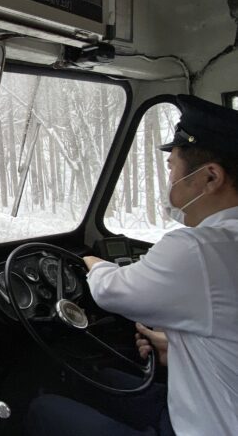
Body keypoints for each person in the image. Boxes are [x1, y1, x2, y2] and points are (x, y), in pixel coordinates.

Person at [26, 95, 238, 436]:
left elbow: (112, 293)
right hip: (205, 405)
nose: (169, 179)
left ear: (210, 178)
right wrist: (181, 348)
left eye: (172, 167)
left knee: (43, 409)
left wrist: (94, 264)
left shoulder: (202, 249)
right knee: (96, 378)